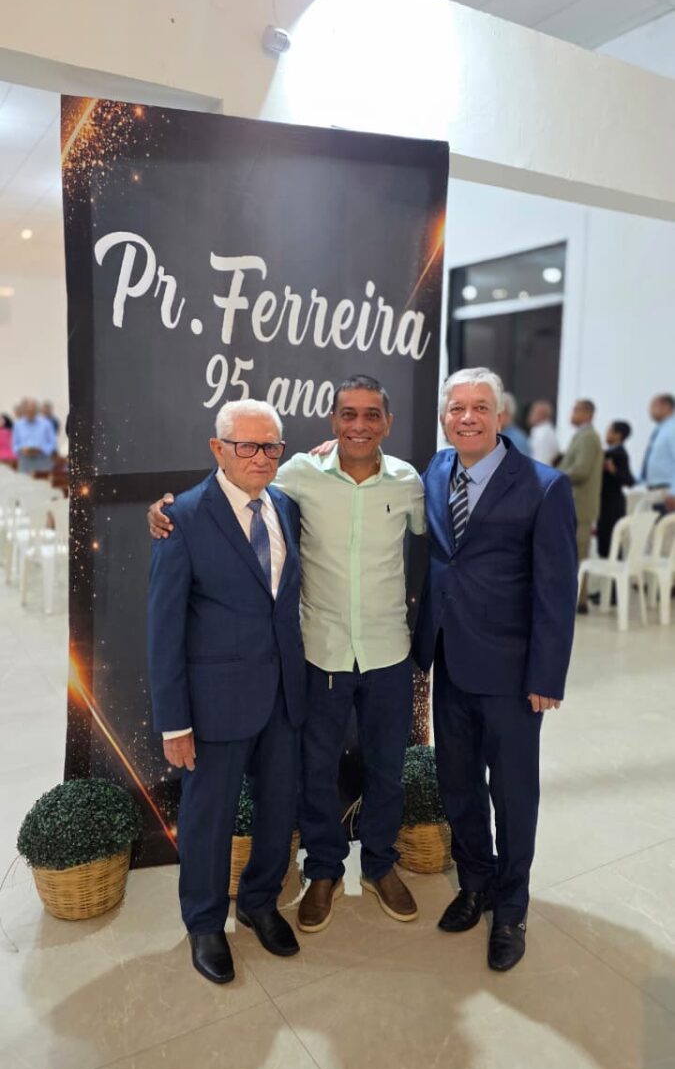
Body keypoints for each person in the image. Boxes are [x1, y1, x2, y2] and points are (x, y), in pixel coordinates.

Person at [149, 376, 426, 934]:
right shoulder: (292, 476)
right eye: (348, 414)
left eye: (371, 415)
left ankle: (374, 866)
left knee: (380, 772)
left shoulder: (406, 482)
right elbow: (218, 504)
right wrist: (161, 510)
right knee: (312, 776)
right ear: (332, 420)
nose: (359, 425)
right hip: (315, 659)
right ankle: (315, 873)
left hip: (382, 654)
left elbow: (438, 541)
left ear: (387, 423)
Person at [413, 367, 577, 972]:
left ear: (501, 416)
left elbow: (556, 590)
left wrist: (546, 677)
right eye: (457, 407)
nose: (468, 417)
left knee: (511, 793)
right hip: (450, 661)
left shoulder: (544, 487)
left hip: (511, 672)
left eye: (480, 407)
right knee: (457, 783)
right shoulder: (435, 471)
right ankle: (475, 882)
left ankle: (511, 905)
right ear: (444, 418)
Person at [147, 398, 306, 984]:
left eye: (271, 446)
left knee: (278, 810)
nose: (260, 457)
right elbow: (163, 628)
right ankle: (206, 922)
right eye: (247, 445)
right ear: (218, 449)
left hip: (284, 695)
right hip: (215, 705)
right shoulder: (182, 518)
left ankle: (261, 902)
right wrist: (175, 722)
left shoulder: (286, 506)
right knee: (208, 820)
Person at [558, 399, 604, 613]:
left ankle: (580, 601)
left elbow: (581, 470)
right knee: (573, 555)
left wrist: (554, 476)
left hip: (581, 507)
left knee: (578, 556)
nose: (572, 414)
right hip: (574, 505)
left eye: (576, 410)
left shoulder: (588, 437)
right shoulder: (582, 435)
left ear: (588, 413)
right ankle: (575, 598)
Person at [597, 421, 634, 558]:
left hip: (612, 505)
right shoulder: (611, 452)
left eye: (609, 431)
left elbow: (629, 481)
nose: (606, 434)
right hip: (607, 503)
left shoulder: (618, 454)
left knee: (610, 545)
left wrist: (613, 470)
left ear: (618, 435)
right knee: (607, 543)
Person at [642, 393, 675, 513]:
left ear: (666, 406)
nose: (649, 411)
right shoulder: (660, 430)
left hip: (667, 492)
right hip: (655, 491)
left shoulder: (672, 429)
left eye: (653, 406)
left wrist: (673, 492)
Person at [11, 398, 57, 474]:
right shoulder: (18, 425)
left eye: (32, 410)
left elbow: (53, 444)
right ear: (24, 411)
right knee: (23, 481)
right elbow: (15, 445)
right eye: (28, 410)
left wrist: (41, 449)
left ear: (37, 411)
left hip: (42, 460)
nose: (30, 413)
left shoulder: (46, 424)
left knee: (43, 481)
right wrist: (22, 449)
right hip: (25, 461)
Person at [527, 399, 560, 466]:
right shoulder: (546, 431)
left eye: (533, 412)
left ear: (541, 415)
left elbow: (541, 460)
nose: (530, 415)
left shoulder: (542, 433)